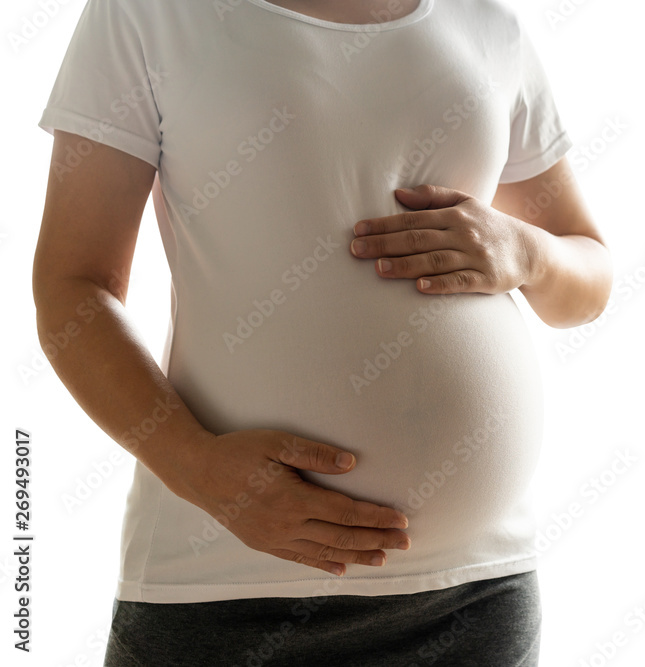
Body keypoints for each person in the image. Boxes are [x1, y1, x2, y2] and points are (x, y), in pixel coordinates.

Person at [33, 0, 613, 664]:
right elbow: (73, 287)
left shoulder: (484, 20)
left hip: (475, 593)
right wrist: (197, 468)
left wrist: (526, 252)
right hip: (223, 590)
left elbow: (587, 276)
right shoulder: (148, 12)